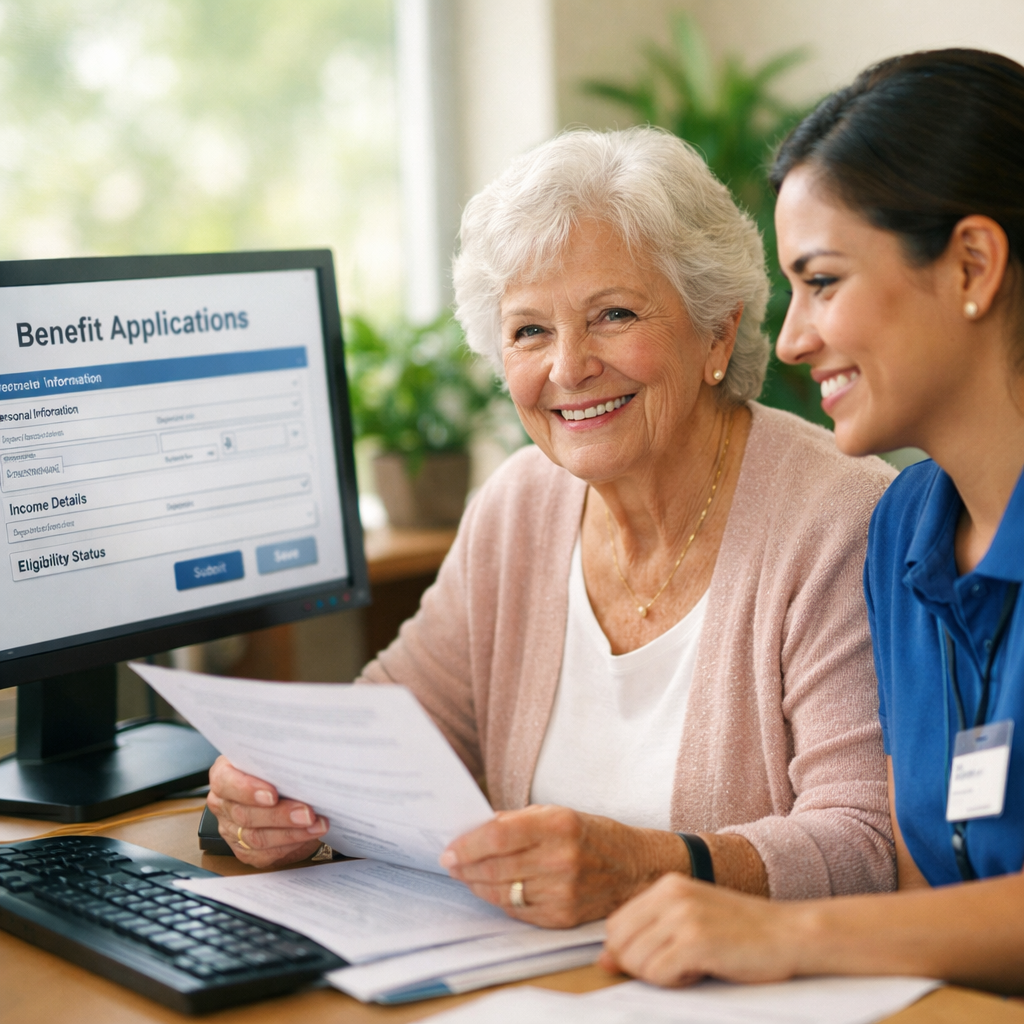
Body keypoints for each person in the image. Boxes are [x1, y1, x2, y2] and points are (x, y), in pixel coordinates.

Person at [206, 127, 897, 928]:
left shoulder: (840, 519)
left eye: (612, 314)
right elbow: (391, 730)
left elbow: (869, 843)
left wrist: (650, 869)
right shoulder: (519, 505)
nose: (568, 368)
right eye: (530, 330)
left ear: (717, 332)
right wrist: (282, 799)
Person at [601, 50, 1024, 993]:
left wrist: (787, 934)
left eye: (823, 281)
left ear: (972, 265)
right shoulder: (906, 529)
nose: (790, 338)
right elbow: (933, 906)